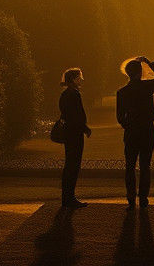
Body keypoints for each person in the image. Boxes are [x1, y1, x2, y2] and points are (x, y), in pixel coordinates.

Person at [116, 55, 154, 208]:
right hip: (146, 129)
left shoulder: (122, 92)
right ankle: (144, 198)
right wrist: (148, 62)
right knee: (145, 166)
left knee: (130, 166)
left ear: (127, 73)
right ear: (140, 72)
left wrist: (128, 125)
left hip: (132, 130)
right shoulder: (147, 87)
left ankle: (131, 199)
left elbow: (120, 116)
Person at [58, 67, 91, 209]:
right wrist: (84, 128)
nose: (81, 79)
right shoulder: (74, 94)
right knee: (73, 165)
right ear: (74, 79)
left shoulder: (66, 94)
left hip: (70, 133)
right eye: (79, 77)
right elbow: (76, 116)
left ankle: (67, 197)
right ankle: (69, 198)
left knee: (70, 165)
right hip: (74, 134)